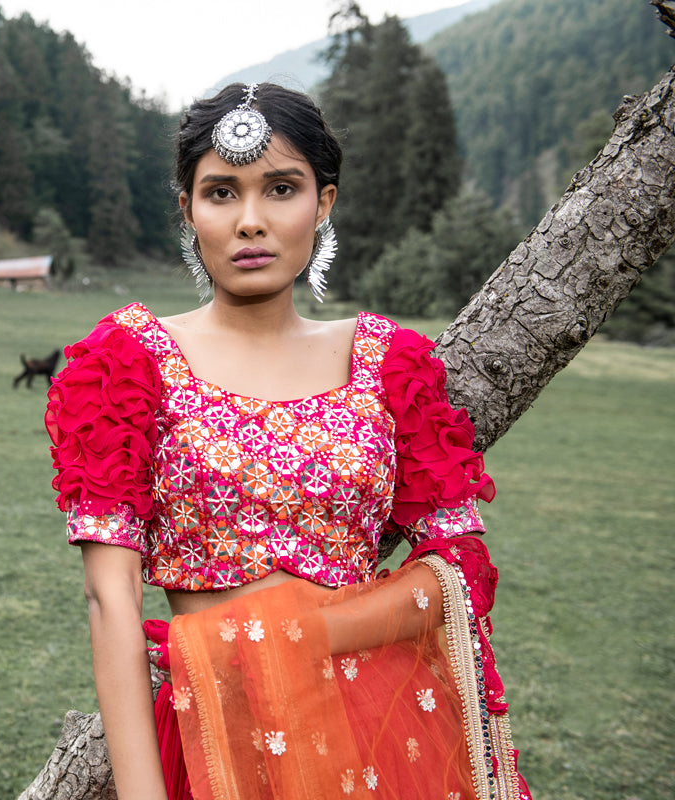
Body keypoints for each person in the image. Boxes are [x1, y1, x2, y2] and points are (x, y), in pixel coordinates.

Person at [45, 83, 530, 800]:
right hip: (216, 733)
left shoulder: (390, 363)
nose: (250, 221)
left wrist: (294, 638)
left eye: (280, 189)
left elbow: (459, 568)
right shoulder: (127, 361)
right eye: (220, 193)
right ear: (187, 211)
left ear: (323, 203)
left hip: (384, 730)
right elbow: (107, 596)